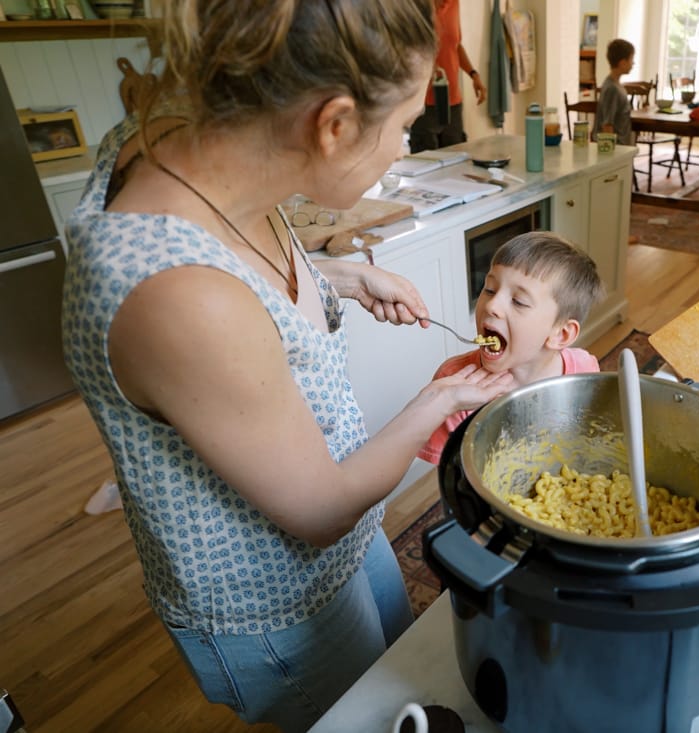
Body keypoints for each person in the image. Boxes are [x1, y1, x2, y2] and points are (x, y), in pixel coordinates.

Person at [60, 2, 514, 731]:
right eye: (402, 127)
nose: (404, 147)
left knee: (404, 680)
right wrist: (444, 394)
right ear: (332, 125)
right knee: (365, 715)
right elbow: (322, 509)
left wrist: (337, 279)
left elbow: (239, 277)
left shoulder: (204, 145)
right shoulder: (178, 299)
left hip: (347, 536)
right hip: (275, 602)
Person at [418, 232, 605, 465]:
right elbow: (452, 473)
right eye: (489, 289)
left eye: (518, 301)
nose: (492, 305)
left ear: (561, 334)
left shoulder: (584, 370)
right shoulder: (454, 384)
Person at [407, 0, 486, 153]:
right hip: (424, 104)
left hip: (452, 103)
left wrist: (473, 74)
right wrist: (427, 66)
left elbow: (456, 45)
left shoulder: (454, 4)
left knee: (455, 164)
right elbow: (405, 49)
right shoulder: (416, 7)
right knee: (427, 168)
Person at [595, 38, 636, 145]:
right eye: (631, 59)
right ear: (622, 63)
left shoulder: (616, 85)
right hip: (617, 147)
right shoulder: (612, 89)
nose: (633, 63)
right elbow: (607, 125)